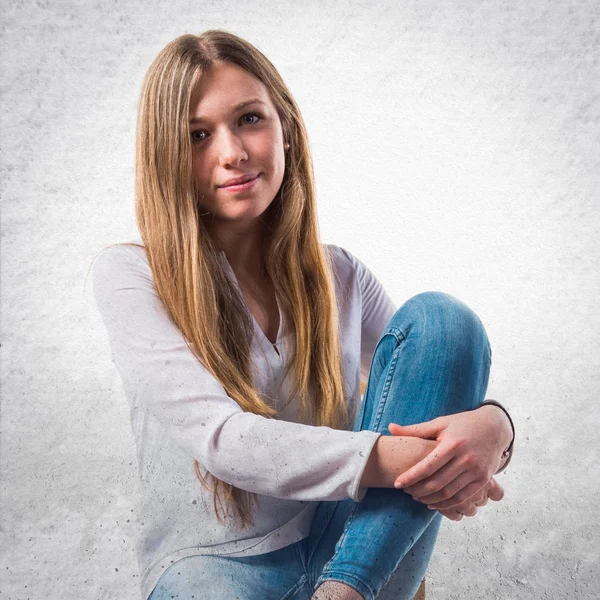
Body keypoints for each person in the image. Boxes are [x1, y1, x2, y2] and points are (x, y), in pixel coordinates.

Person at [90, 29, 515, 600]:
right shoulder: (132, 276)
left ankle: (344, 590)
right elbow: (225, 440)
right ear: (165, 153)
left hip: (352, 550)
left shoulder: (340, 275)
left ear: (283, 124)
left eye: (249, 119)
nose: (232, 152)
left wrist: (496, 429)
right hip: (213, 570)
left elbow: (433, 387)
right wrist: (441, 465)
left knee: (445, 322)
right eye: (197, 134)